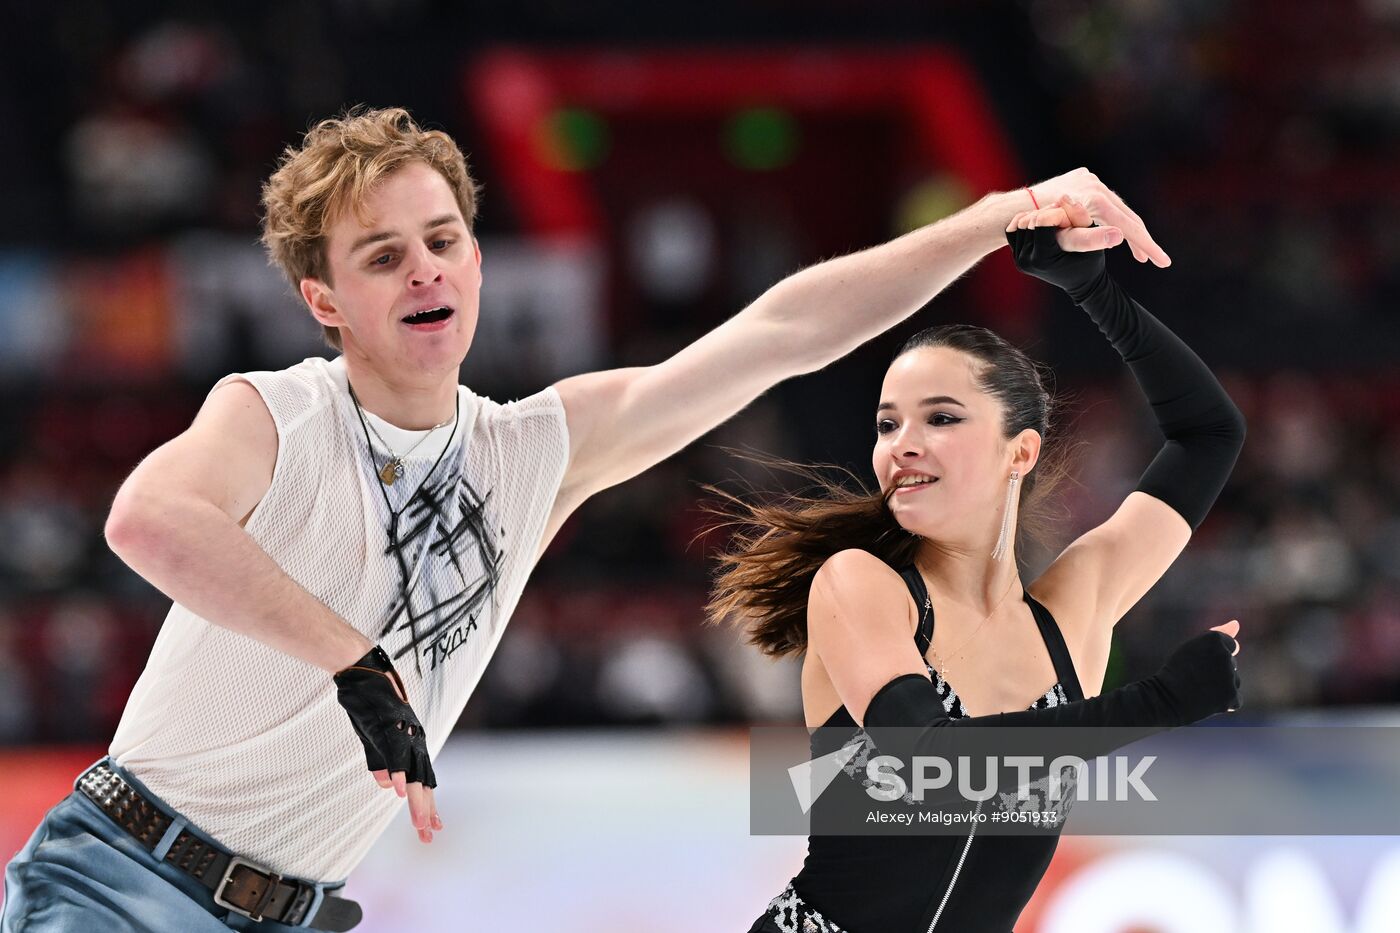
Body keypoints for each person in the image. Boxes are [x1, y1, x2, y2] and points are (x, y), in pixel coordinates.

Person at [1, 106, 1171, 933]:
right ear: (324, 300)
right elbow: (147, 520)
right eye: (382, 256)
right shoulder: (276, 414)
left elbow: (780, 333)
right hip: (123, 884)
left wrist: (991, 218)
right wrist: (354, 661)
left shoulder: (532, 451)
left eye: (442, 241)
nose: (424, 272)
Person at [711, 201, 1248, 932]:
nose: (902, 442)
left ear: (1019, 452)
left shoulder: (1073, 613)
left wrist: (1096, 294)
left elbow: (1209, 433)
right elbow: (934, 761)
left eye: (940, 417)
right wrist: (1161, 701)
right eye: (887, 422)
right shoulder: (861, 584)